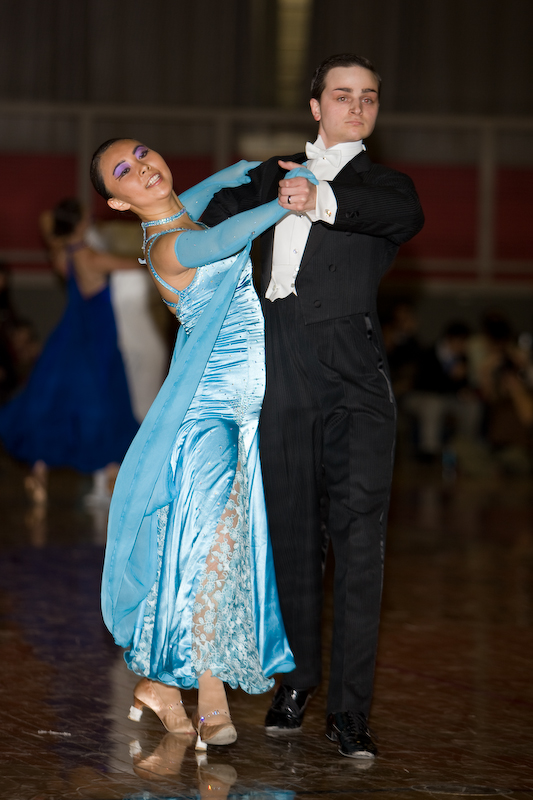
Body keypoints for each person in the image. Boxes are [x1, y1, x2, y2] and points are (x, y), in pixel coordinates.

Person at [203, 53, 425, 759]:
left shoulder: (384, 186)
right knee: (292, 537)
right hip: (278, 365)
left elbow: (402, 217)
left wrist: (318, 197)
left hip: (355, 374)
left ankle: (350, 712)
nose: (356, 107)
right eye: (342, 95)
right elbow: (200, 232)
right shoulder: (266, 177)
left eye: (368, 97)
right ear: (315, 106)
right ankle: (295, 681)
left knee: (359, 545)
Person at [92, 139, 314, 748]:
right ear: (118, 202)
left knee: (210, 548)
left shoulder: (175, 217)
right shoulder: (170, 245)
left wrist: (236, 172)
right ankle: (210, 698)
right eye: (125, 172)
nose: (143, 167)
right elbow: (221, 239)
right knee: (213, 552)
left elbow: (192, 199)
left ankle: (160, 685)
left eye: (143, 153)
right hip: (209, 415)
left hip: (242, 413)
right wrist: (285, 200)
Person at [0, 199, 140, 505]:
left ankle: (39, 472)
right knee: (107, 403)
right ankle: (109, 480)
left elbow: (47, 219)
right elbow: (137, 264)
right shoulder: (92, 257)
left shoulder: (62, 255)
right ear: (79, 224)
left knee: (55, 403)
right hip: (96, 340)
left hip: (70, 336)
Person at [402, 321, 481, 462]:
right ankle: (429, 450)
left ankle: (464, 446)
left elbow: (462, 385)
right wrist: (450, 377)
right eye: (461, 342)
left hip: (449, 398)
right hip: (421, 396)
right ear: (451, 339)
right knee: (434, 404)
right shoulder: (429, 353)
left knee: (473, 406)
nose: (463, 346)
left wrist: (465, 391)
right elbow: (424, 383)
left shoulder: (462, 357)